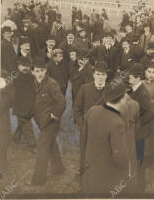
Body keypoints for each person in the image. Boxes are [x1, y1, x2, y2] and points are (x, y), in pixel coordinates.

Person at [82, 82, 130, 194]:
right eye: (125, 95)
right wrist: (126, 170)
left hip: (91, 172)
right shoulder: (117, 122)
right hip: (108, 177)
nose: (127, 97)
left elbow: (83, 139)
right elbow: (119, 155)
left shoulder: (93, 110)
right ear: (122, 99)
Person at [29, 57, 66, 186]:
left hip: (51, 121)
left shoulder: (51, 83)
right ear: (32, 72)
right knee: (51, 144)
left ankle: (38, 180)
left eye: (42, 70)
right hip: (41, 120)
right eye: (38, 71)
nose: (40, 73)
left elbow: (62, 102)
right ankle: (58, 169)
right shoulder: (32, 82)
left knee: (42, 147)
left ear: (45, 71)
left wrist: (53, 116)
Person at [74, 61, 109, 175]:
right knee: (85, 150)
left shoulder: (111, 90)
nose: (100, 77)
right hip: (87, 127)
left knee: (103, 151)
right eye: (98, 74)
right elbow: (77, 108)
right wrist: (81, 123)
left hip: (104, 128)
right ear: (93, 74)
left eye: (103, 75)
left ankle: (101, 173)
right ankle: (83, 172)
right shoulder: (84, 88)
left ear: (106, 76)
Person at [127, 63, 154, 192]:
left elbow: (152, 113)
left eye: (131, 77)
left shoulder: (142, 92)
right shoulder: (135, 89)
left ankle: (139, 188)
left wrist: (136, 124)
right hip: (136, 132)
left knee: (138, 160)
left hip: (139, 134)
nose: (129, 79)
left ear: (138, 78)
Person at [12, 57, 36, 150]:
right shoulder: (14, 77)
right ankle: (32, 145)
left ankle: (16, 138)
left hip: (29, 105)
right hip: (20, 105)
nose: (25, 68)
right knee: (27, 126)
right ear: (18, 66)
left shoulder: (31, 77)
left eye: (27, 66)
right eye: (23, 66)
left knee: (22, 123)